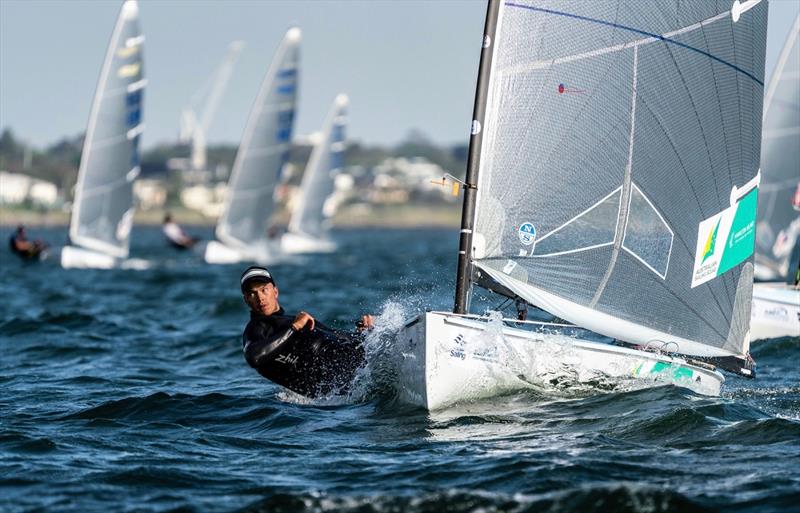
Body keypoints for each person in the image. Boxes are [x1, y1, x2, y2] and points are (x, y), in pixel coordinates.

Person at [240, 265, 374, 398]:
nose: (260, 297)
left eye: (264, 290)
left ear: (275, 291)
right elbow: (254, 356)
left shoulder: (292, 319)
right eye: (252, 293)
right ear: (246, 299)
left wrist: (362, 332)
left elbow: (335, 335)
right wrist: (294, 327)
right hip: (350, 382)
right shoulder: (257, 327)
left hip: (362, 366)